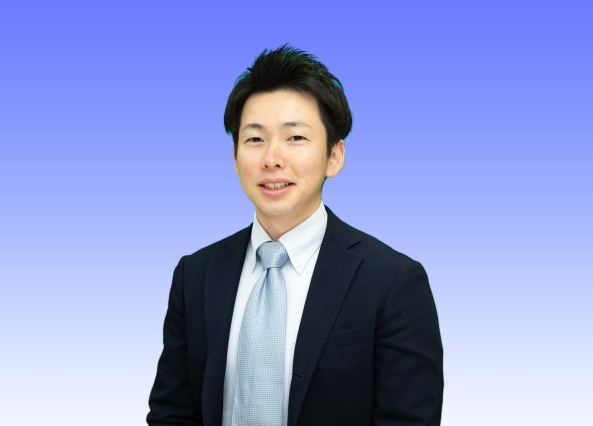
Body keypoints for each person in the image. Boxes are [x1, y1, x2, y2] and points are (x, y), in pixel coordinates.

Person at [146, 45, 443, 426]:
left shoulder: (393, 282)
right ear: (235, 157)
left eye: (296, 138)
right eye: (255, 139)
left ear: (334, 156)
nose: (272, 159)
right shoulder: (196, 275)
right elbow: (171, 413)